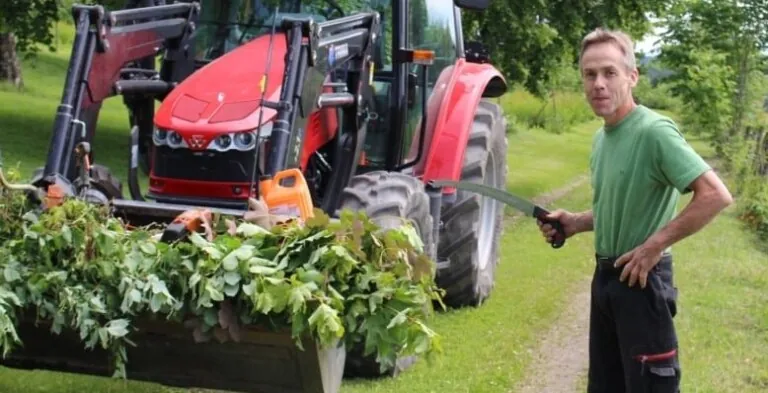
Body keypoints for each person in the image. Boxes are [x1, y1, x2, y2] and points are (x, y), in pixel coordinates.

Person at [537, 28, 733, 392]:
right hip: (606, 279)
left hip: (642, 282)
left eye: (609, 72)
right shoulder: (602, 138)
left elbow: (715, 195)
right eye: (589, 74)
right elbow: (624, 205)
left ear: (632, 76)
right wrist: (575, 223)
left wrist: (653, 246)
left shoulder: (654, 131)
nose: (598, 84)